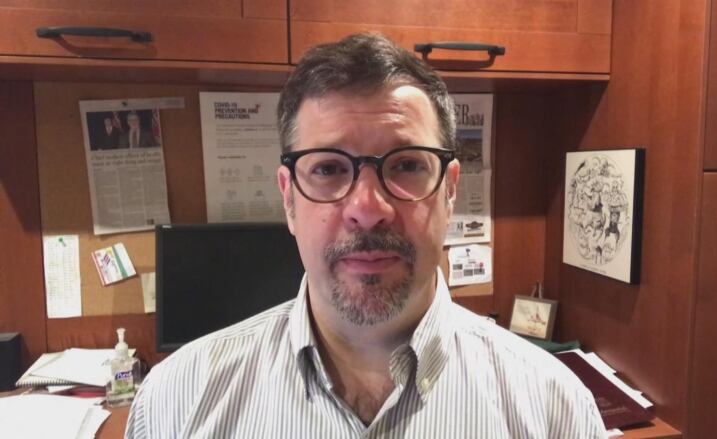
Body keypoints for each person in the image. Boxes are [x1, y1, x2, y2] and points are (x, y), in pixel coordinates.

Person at [126, 33, 606, 438]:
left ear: (451, 190)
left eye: (407, 165)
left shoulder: (554, 411)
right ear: (288, 198)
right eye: (330, 168)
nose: (368, 210)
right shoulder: (176, 404)